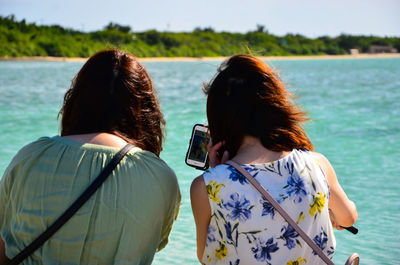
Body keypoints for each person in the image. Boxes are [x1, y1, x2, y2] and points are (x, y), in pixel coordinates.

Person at [0, 49, 181, 265]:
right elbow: (153, 244)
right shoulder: (160, 177)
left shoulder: (30, 157)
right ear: (146, 113)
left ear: (76, 101)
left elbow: (5, 244)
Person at [190, 54, 357, 265]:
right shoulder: (317, 164)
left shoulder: (205, 187)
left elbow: (207, 257)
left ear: (218, 117)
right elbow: (348, 219)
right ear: (275, 107)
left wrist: (220, 174)